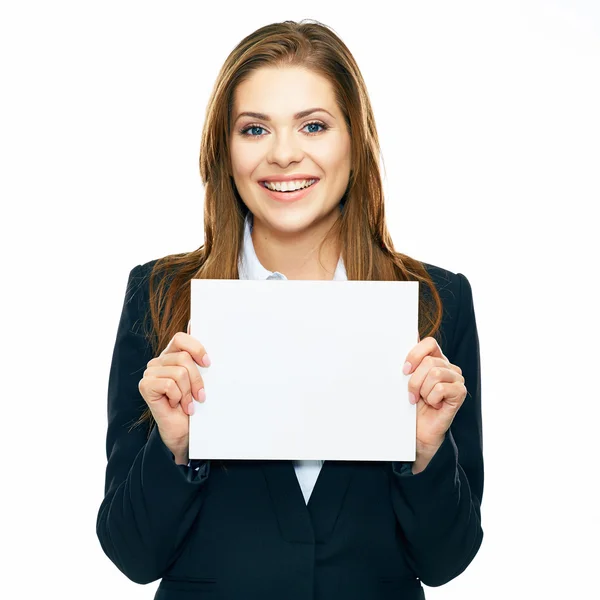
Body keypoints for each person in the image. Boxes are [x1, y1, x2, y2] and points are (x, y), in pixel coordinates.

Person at [96, 19, 484, 600]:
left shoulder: (437, 303)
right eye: (255, 128)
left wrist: (425, 456)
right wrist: (173, 447)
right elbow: (132, 554)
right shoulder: (160, 295)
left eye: (313, 125)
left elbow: (446, 559)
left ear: (354, 139)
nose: (283, 154)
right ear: (223, 150)